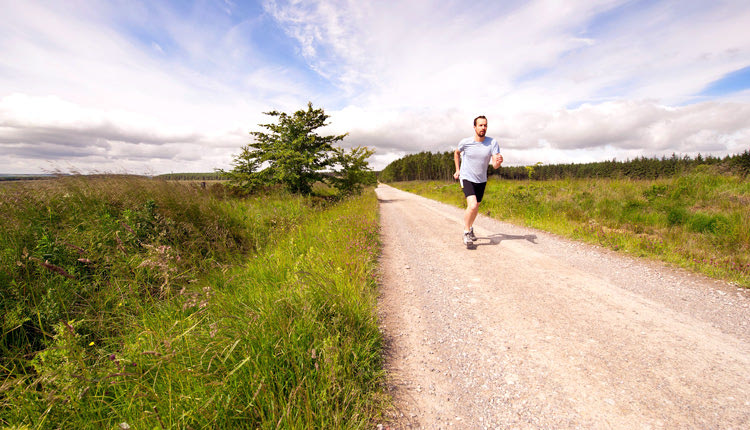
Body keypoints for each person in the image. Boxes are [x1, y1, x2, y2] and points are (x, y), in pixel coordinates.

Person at [453, 115, 503, 245]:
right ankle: (466, 232)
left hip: (481, 180)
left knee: (476, 208)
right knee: (473, 205)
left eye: (485, 125)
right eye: (480, 125)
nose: (483, 128)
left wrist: (499, 162)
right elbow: (456, 153)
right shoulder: (466, 142)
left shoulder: (492, 143)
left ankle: (470, 227)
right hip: (467, 177)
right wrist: (458, 170)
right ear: (474, 127)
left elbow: (495, 165)